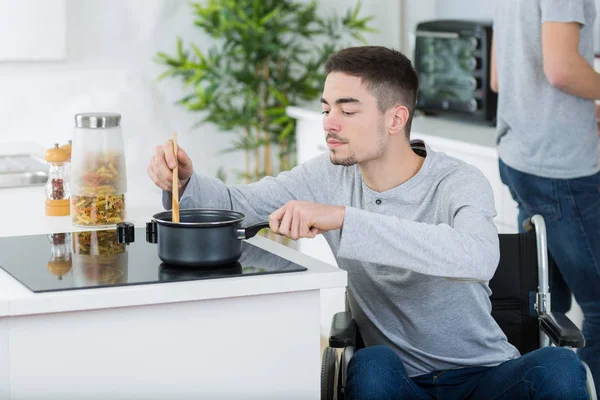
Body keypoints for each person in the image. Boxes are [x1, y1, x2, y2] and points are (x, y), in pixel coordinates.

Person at [148, 46, 588, 398]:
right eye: (325, 109)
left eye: (347, 109)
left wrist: (344, 219)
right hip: (400, 385)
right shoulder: (326, 175)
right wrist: (185, 182)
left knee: (561, 368)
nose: (329, 124)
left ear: (396, 118)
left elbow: (476, 257)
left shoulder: (458, 181)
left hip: (486, 379)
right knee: (372, 365)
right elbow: (238, 205)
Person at [492, 1, 600, 394]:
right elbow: (562, 69)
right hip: (560, 166)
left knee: (543, 305)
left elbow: (500, 78)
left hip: (521, 156)